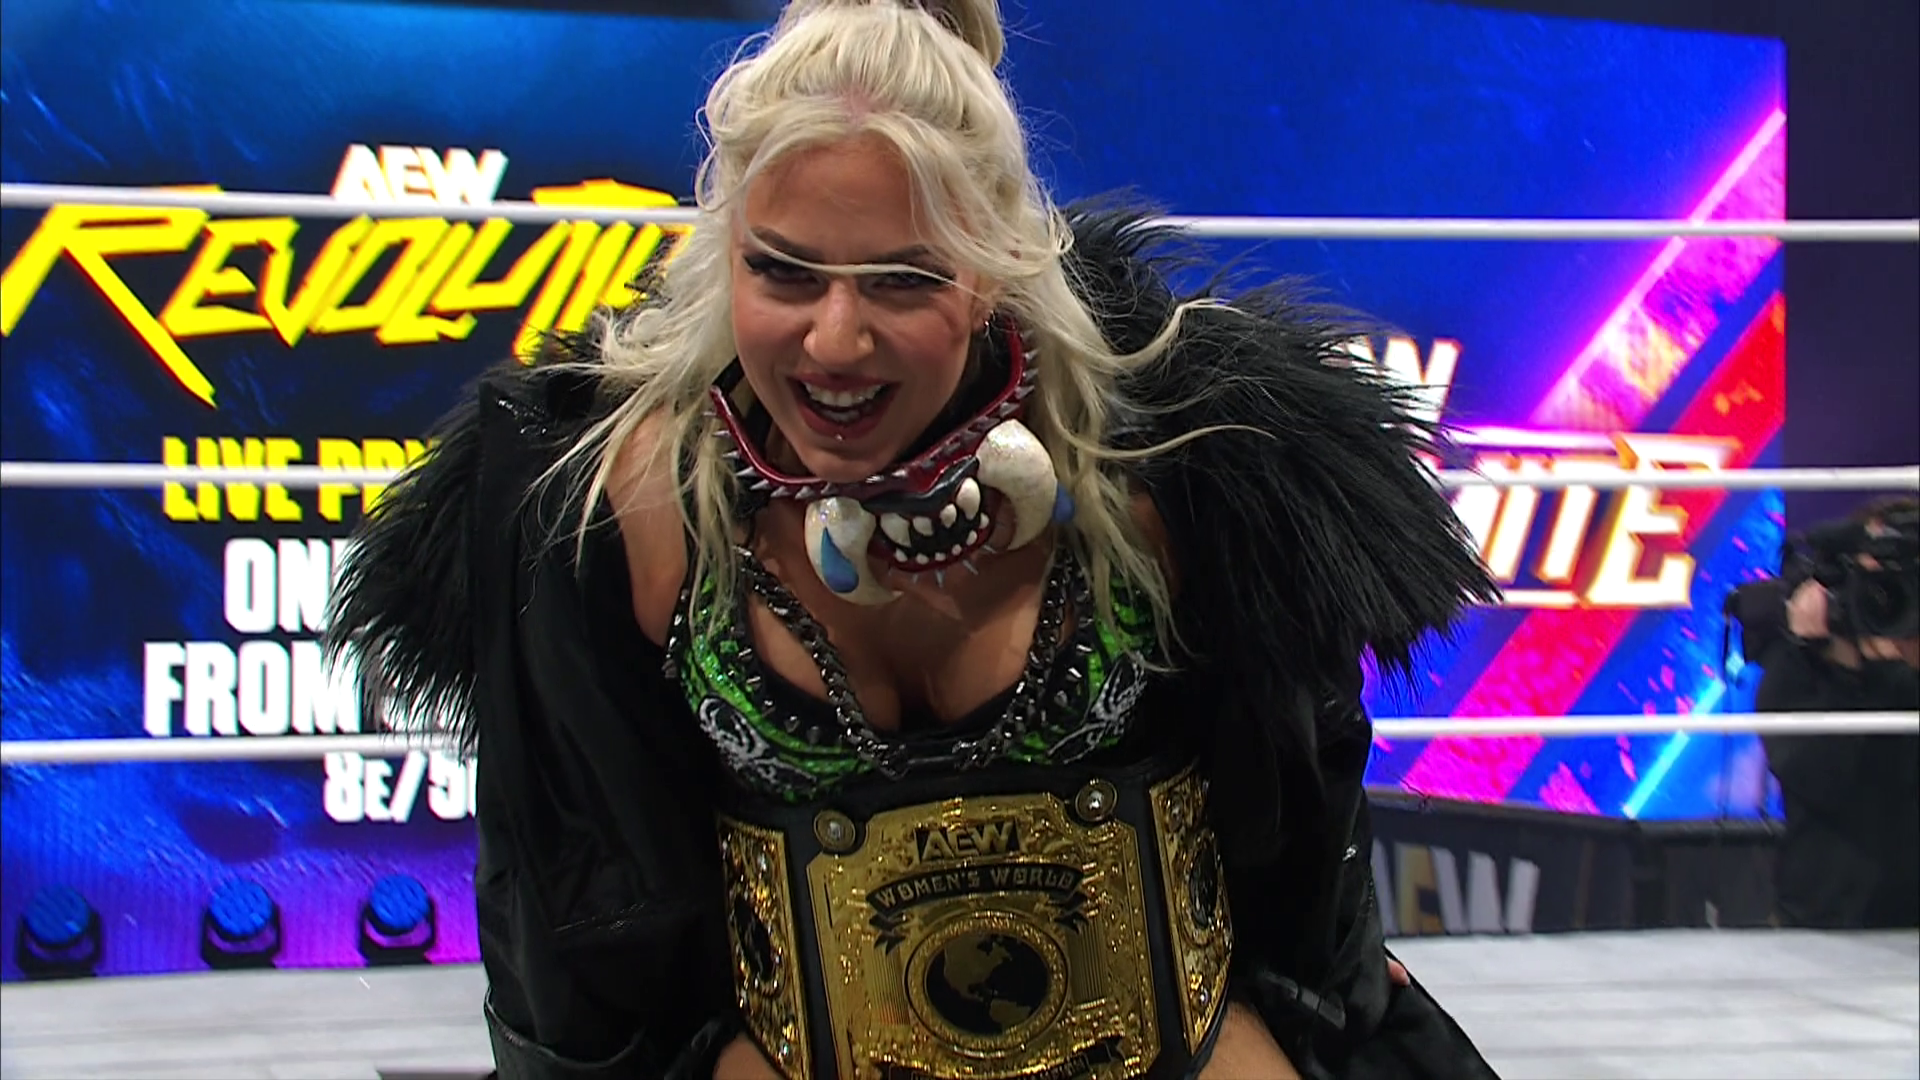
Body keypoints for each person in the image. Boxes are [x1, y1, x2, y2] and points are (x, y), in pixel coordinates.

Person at [324, 1, 1503, 1076]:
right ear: (724, 253)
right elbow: (580, 937)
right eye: (784, 273)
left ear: (990, 271)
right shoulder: (620, 505)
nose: (835, 342)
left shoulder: (1173, 464)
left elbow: (1300, 844)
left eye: (900, 281)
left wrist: (1308, 1020)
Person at [1747, 496, 1919, 930]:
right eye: (1875, 577)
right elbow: (1823, 782)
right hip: (1824, 926)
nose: (1888, 594)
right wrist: (1844, 666)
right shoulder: (1797, 669)